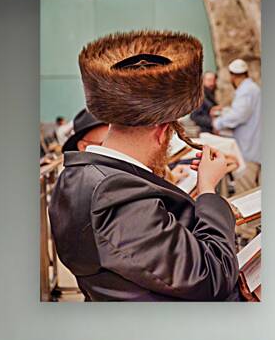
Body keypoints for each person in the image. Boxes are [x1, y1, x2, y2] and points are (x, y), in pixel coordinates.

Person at [49, 30, 241, 302]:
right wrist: (208, 191)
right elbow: (213, 277)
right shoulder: (114, 197)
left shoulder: (74, 177)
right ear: (162, 132)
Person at [213, 58, 261, 191]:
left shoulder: (246, 90)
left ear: (233, 75)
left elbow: (239, 114)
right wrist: (224, 110)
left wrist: (217, 123)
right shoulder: (252, 88)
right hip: (254, 146)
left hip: (248, 149)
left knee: (246, 190)